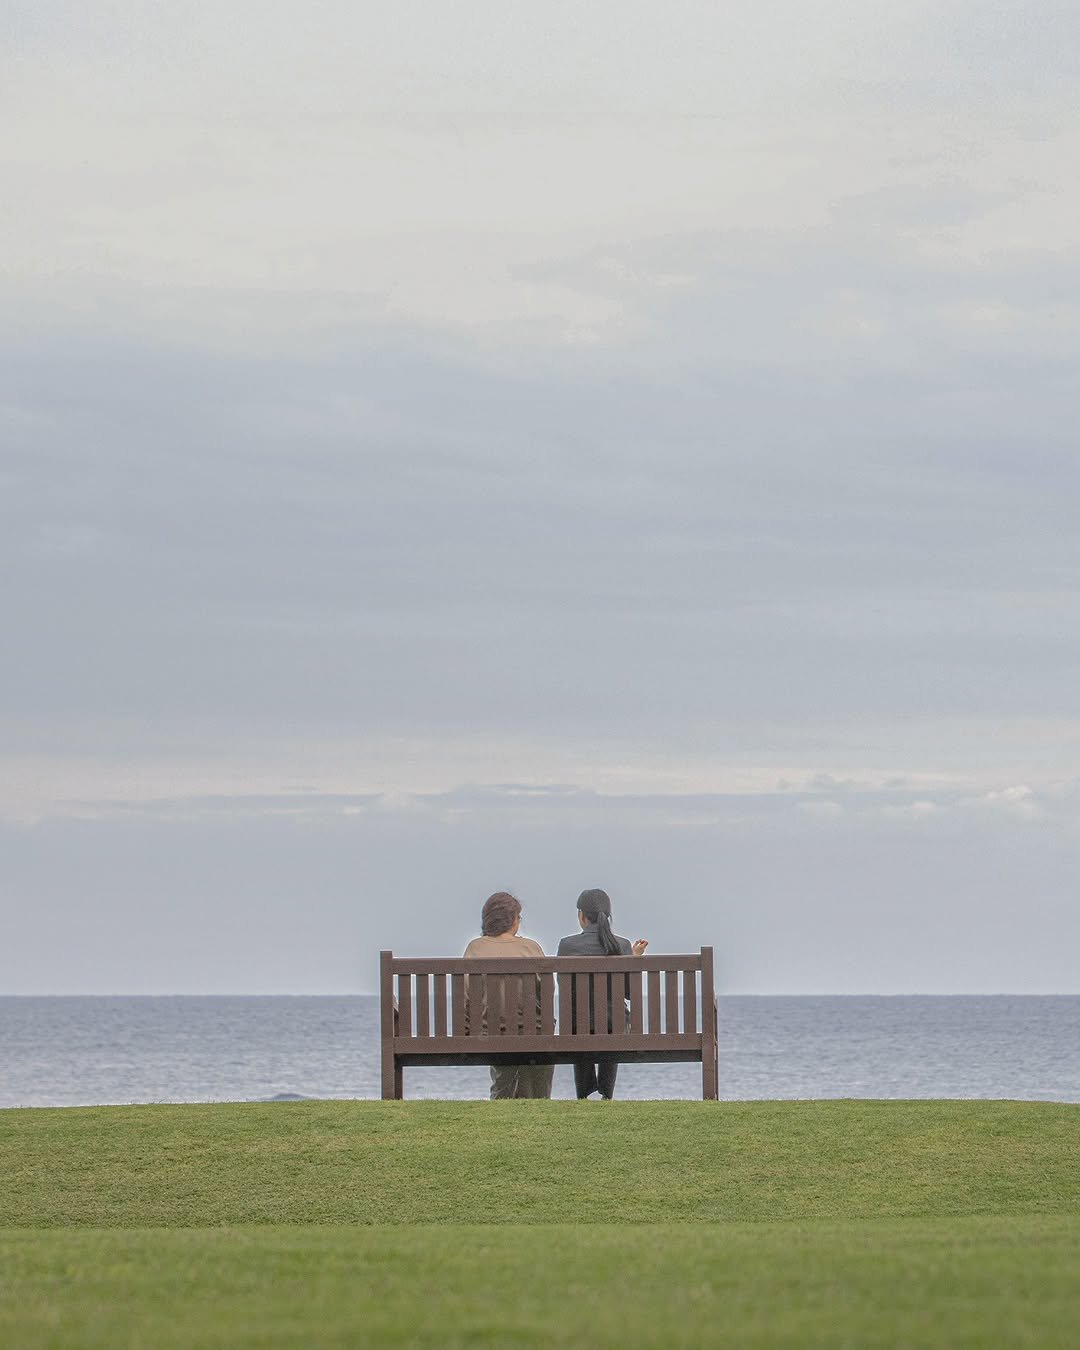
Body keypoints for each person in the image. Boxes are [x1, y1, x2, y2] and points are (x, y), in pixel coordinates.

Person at [557, 888, 648, 1100]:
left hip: (576, 1027)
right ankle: (606, 1093)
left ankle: (585, 1093)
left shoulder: (567, 945)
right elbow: (629, 993)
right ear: (607, 915)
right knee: (613, 1022)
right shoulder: (622, 945)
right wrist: (633, 958)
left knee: (581, 1023)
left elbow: (564, 989)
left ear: (581, 916)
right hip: (614, 1027)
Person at [462, 891, 554, 1101]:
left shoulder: (475, 948)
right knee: (535, 1044)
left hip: (488, 1031)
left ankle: (502, 1098)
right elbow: (547, 993)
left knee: (503, 1047)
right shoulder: (531, 948)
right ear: (512, 919)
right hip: (532, 1031)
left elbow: (466, 996)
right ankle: (536, 1100)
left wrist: (468, 1028)